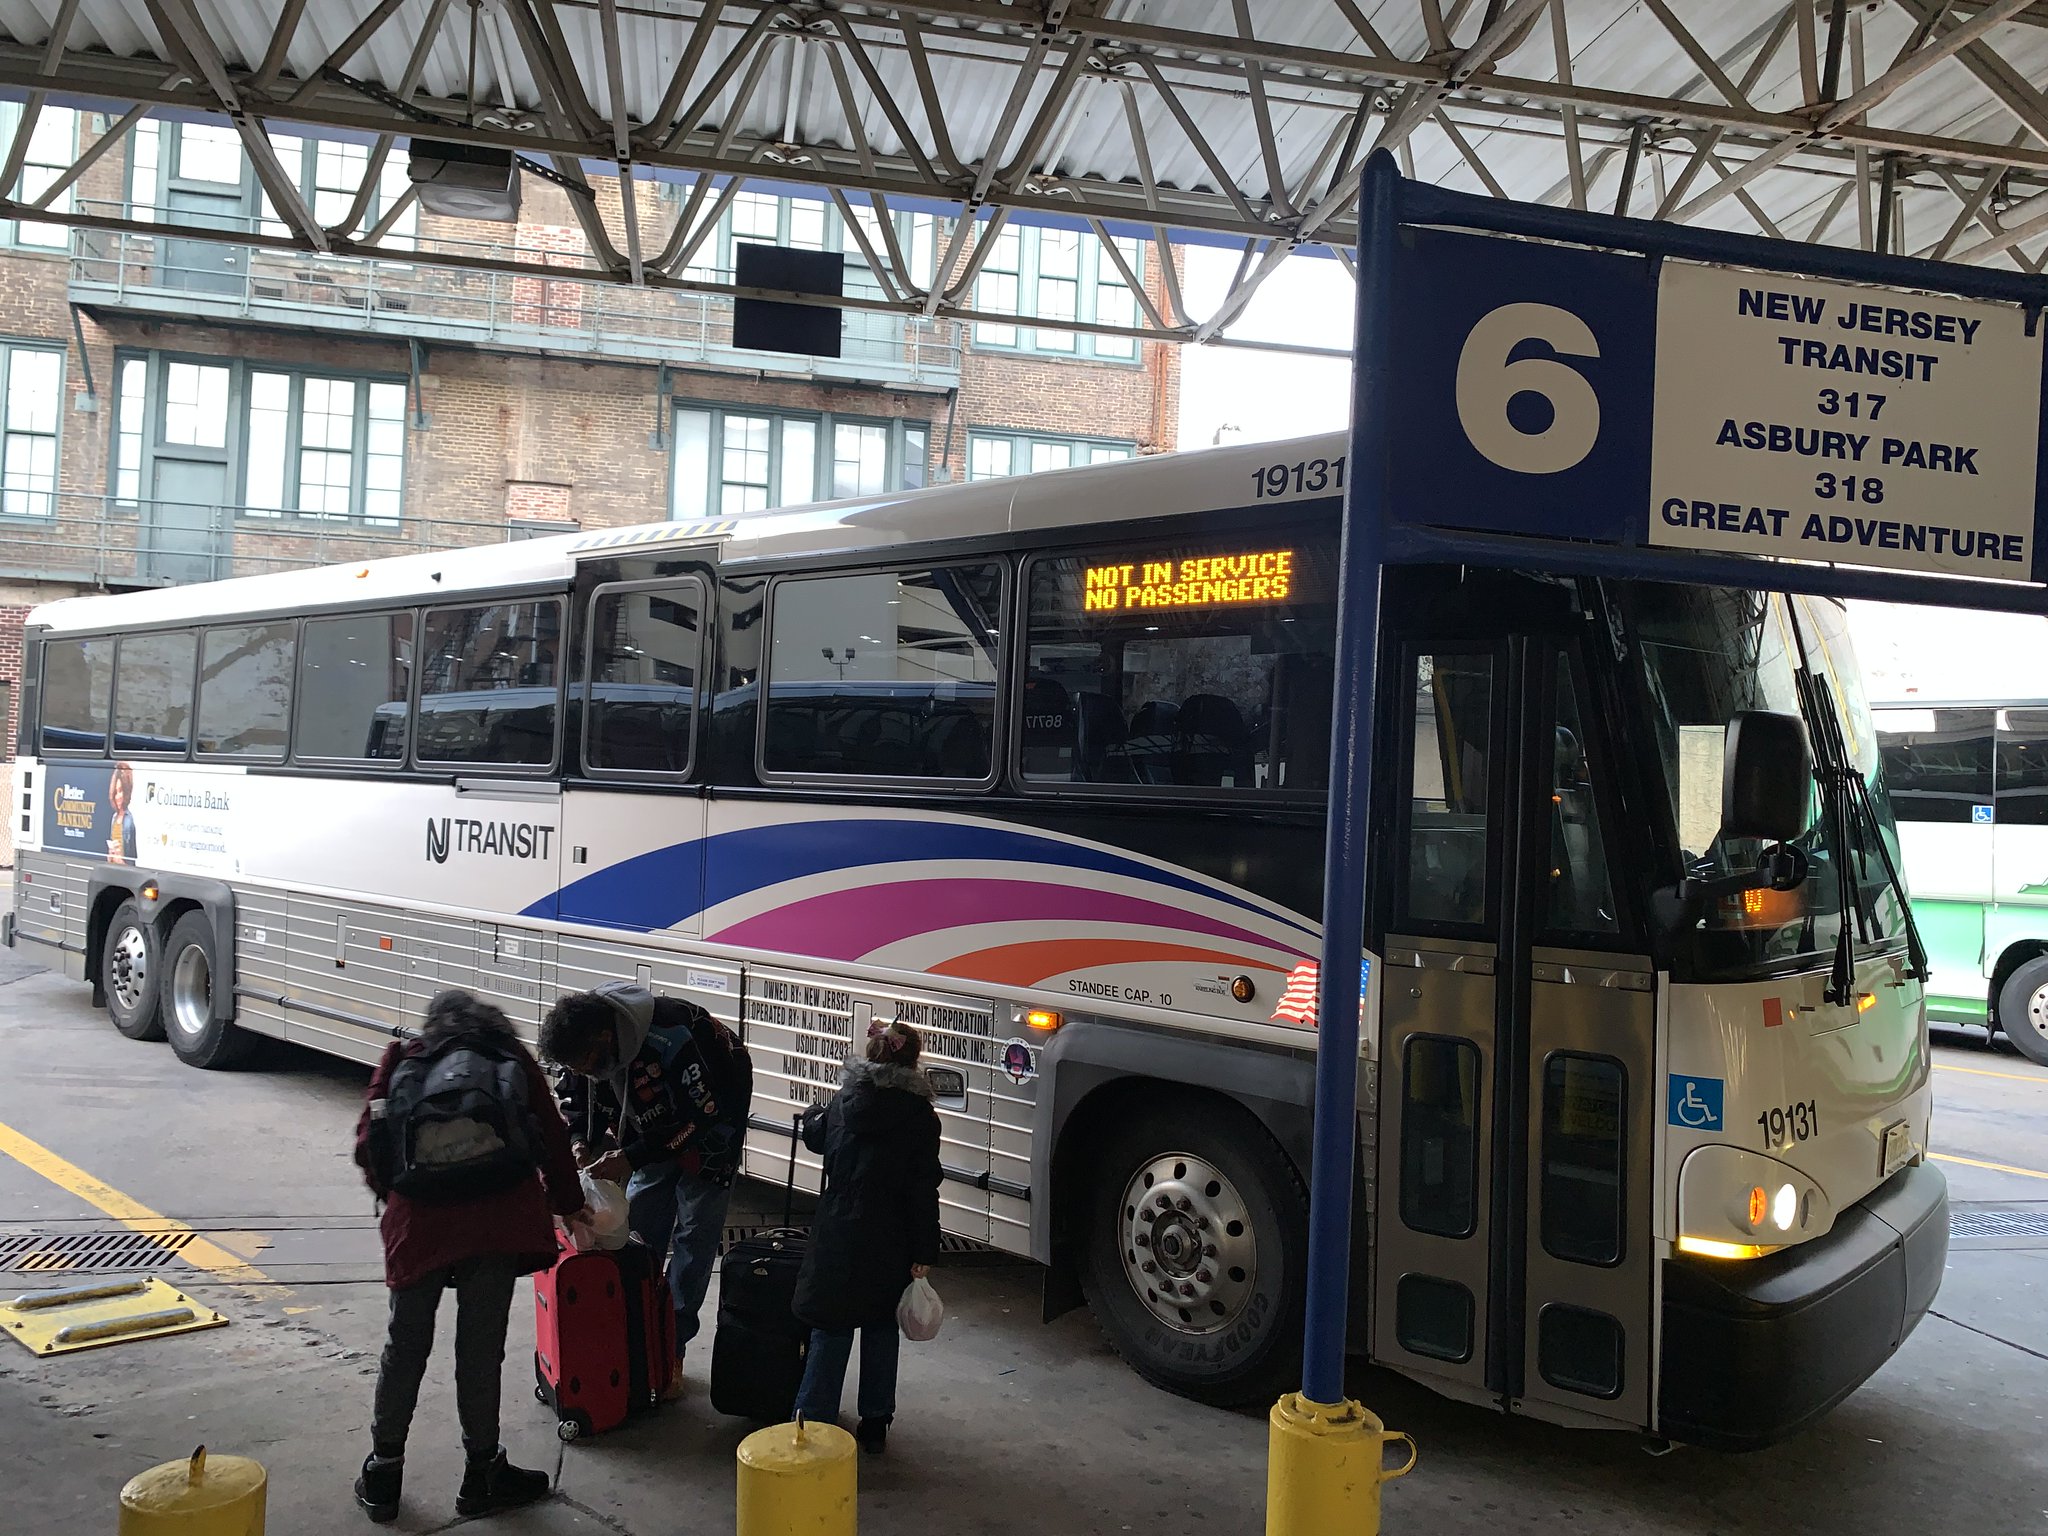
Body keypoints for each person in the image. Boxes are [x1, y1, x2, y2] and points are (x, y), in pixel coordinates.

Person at [352, 989, 584, 1524]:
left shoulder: (402, 1058)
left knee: (406, 1343)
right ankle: (482, 1474)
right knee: (480, 1350)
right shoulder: (510, 1059)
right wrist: (570, 1205)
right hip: (495, 1219)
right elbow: (552, 1134)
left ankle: (384, 1474)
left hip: (421, 1221)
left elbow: (369, 1143)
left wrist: (398, 1192)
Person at [539, 983, 752, 1394]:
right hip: (652, 1124)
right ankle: (636, 1324)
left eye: (585, 1063)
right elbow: (576, 1098)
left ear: (604, 1039)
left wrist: (632, 1157)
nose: (582, 1071)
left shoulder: (671, 1037)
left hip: (713, 1122)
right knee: (638, 1224)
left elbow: (701, 1116)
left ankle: (672, 1343)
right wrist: (581, 1140)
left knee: (694, 1233)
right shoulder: (583, 1040)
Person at [791, 1020, 942, 1454]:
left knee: (830, 1328)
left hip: (838, 1229)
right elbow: (921, 1188)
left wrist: (818, 1114)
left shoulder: (845, 1100)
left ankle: (811, 1423)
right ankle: (874, 1423)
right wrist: (923, 1251)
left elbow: (817, 1137)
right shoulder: (919, 1118)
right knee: (879, 1328)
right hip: (890, 1238)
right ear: (913, 1061)